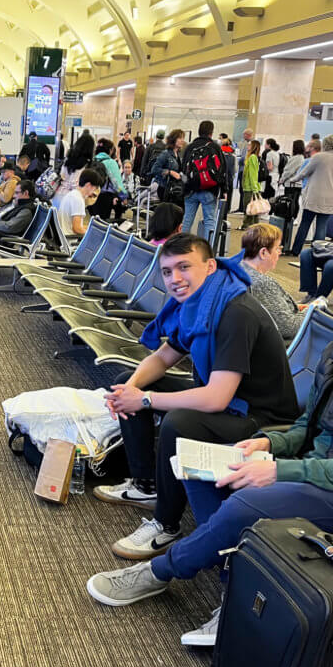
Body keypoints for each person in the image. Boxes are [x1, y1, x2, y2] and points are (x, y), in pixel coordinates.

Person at [86, 251, 333, 651]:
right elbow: (306, 427)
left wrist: (283, 471)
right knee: (204, 465)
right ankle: (236, 588)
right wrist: (269, 443)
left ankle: (160, 572)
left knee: (246, 504)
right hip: (322, 471)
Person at [93, 233, 299, 564]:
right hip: (231, 404)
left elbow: (216, 398)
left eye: (184, 267)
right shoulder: (198, 303)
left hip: (262, 418)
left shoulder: (236, 312)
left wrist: (144, 400)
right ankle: (148, 485)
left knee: (178, 423)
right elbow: (162, 358)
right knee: (124, 383)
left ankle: (166, 524)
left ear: (210, 266)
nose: (175, 279)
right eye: (167, 271)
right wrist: (128, 390)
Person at [239, 223, 306, 340]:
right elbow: (289, 328)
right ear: (263, 252)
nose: (280, 252)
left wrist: (296, 308)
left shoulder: (238, 268)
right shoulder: (262, 283)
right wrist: (312, 310)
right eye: (277, 248)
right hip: (278, 347)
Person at [288, 135, 333, 255]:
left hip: (314, 196)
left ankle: (295, 250)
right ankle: (317, 252)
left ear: (324, 144)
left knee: (305, 223)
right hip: (331, 197)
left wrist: (291, 180)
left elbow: (303, 173)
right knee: (322, 226)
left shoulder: (318, 157)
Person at [180, 120, 226, 240]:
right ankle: (208, 250)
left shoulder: (190, 147)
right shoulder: (214, 147)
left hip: (190, 189)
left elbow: (183, 168)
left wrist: (184, 186)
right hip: (209, 189)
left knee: (187, 220)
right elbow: (222, 169)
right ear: (211, 132)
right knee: (209, 221)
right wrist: (224, 189)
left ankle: (179, 247)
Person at [57, 169, 102, 237]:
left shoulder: (72, 194)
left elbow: (76, 224)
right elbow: (77, 229)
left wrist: (92, 229)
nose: (94, 192)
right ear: (88, 185)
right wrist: (93, 235)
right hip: (70, 240)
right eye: (95, 188)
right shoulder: (78, 200)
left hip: (62, 235)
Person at [56, 132, 95, 201]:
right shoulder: (85, 163)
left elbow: (62, 175)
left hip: (58, 194)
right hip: (71, 198)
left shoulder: (68, 158)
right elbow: (74, 184)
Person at [153, 129, 185, 205]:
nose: (182, 140)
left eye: (183, 138)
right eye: (180, 138)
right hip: (165, 189)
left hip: (176, 190)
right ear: (173, 139)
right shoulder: (165, 154)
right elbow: (154, 169)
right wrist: (170, 172)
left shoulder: (179, 155)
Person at [240, 139, 262, 228]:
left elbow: (253, 174)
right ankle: (250, 225)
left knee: (250, 208)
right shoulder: (251, 157)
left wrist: (254, 190)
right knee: (251, 207)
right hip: (248, 187)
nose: (247, 146)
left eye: (249, 145)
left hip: (250, 188)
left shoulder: (252, 157)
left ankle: (249, 225)